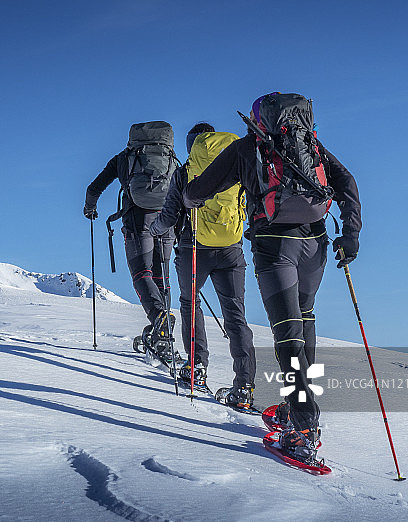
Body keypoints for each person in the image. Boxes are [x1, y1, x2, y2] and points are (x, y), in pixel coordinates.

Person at [182, 93, 361, 462]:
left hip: (275, 245)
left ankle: (303, 426)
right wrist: (352, 234)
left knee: (287, 336)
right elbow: (346, 182)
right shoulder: (309, 143)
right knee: (305, 321)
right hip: (316, 243)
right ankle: (297, 406)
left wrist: (190, 199)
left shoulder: (249, 148)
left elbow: (199, 189)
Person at [149, 123, 256, 408]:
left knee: (190, 302)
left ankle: (196, 368)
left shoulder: (185, 172)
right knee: (235, 315)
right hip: (231, 249)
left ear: (191, 145)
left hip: (194, 248)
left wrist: (154, 229)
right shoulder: (237, 165)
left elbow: (170, 215)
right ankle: (244, 384)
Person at [84, 121, 177, 354]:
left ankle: (159, 318)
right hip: (167, 221)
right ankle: (162, 329)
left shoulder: (123, 158)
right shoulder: (171, 158)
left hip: (138, 221)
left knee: (141, 273)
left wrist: (90, 209)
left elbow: (93, 189)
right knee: (160, 275)